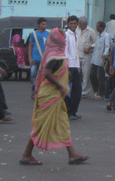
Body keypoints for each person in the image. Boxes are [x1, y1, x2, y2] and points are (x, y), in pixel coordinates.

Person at [20, 27, 89, 165]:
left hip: (55, 97)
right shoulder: (55, 56)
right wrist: (60, 86)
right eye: (63, 37)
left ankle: (72, 154)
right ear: (59, 39)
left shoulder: (54, 54)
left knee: (62, 124)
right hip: (50, 96)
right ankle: (26, 154)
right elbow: (47, 73)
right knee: (41, 125)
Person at [64, 16, 83, 120]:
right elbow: (65, 51)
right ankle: (69, 111)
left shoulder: (76, 34)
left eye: (74, 24)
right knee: (67, 90)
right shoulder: (66, 35)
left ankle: (73, 111)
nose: (73, 25)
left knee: (77, 91)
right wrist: (66, 67)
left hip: (76, 65)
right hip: (69, 66)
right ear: (68, 24)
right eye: (71, 24)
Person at [28, 18, 50, 99]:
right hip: (35, 58)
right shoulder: (34, 34)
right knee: (33, 75)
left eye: (45, 24)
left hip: (44, 59)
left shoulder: (48, 33)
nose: (44, 26)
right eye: (43, 24)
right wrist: (30, 58)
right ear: (38, 25)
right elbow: (30, 45)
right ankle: (34, 90)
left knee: (43, 76)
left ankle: (41, 92)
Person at [77, 17, 97, 98]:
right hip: (77, 55)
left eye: (79, 23)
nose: (78, 24)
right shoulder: (77, 30)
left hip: (86, 56)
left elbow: (96, 41)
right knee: (78, 73)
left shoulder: (91, 31)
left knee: (86, 74)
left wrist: (89, 48)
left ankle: (84, 91)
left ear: (83, 23)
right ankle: (78, 89)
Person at [90, 21, 110, 100]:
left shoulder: (106, 36)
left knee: (100, 76)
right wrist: (90, 47)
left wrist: (104, 54)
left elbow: (107, 46)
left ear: (102, 27)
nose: (96, 28)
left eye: (98, 27)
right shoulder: (99, 36)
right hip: (95, 58)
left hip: (101, 59)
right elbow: (96, 44)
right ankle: (96, 90)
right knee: (92, 74)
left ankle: (101, 93)